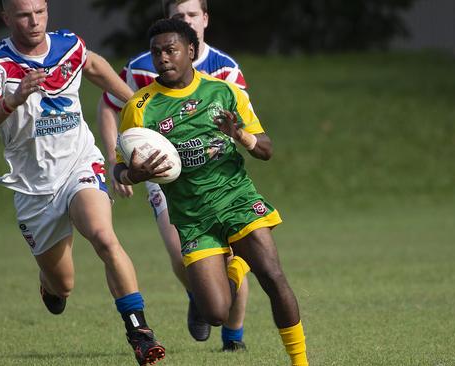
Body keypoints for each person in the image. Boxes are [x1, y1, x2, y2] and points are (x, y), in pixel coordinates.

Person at [0, 0, 165, 364]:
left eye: (40, 11)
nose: (34, 21)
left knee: (104, 237)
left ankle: (139, 332)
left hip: (79, 163)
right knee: (64, 285)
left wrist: (138, 103)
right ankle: (49, 287)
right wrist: (12, 99)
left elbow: (94, 66)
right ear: (6, 18)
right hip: (33, 187)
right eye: (24, 15)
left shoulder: (68, 45)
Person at [114, 18, 309, 366]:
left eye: (171, 50)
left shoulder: (224, 92)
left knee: (273, 275)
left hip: (236, 199)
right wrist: (132, 173)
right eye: (156, 52)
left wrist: (241, 136)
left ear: (190, 51)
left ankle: (300, 361)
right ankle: (235, 268)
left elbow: (265, 150)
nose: (163, 59)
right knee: (216, 313)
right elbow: (119, 168)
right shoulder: (140, 108)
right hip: (192, 217)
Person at [97, 0, 249, 351]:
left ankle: (233, 339)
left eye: (193, 15)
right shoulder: (142, 67)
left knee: (234, 259)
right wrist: (113, 156)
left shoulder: (225, 70)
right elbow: (109, 103)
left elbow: (241, 122)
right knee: (181, 253)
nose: (187, 21)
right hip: (163, 174)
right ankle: (198, 291)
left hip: (216, 175)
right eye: (179, 16)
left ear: (206, 19)